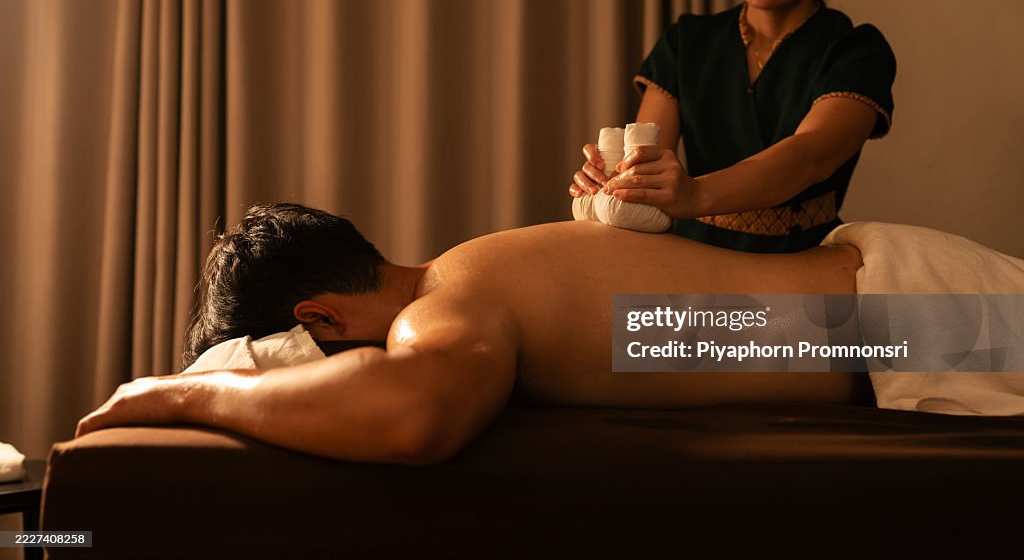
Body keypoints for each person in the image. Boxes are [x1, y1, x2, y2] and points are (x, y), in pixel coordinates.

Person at [77, 203, 870, 465]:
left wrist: (184, 394)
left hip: (900, 319)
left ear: (319, 319)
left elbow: (411, 414)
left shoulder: (448, 303)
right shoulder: (472, 274)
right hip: (878, 322)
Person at [569, 0, 896, 253]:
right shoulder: (687, 42)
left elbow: (811, 157)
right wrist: (615, 179)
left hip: (804, 259)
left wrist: (695, 193)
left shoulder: (856, 51)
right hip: (694, 253)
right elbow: (647, 150)